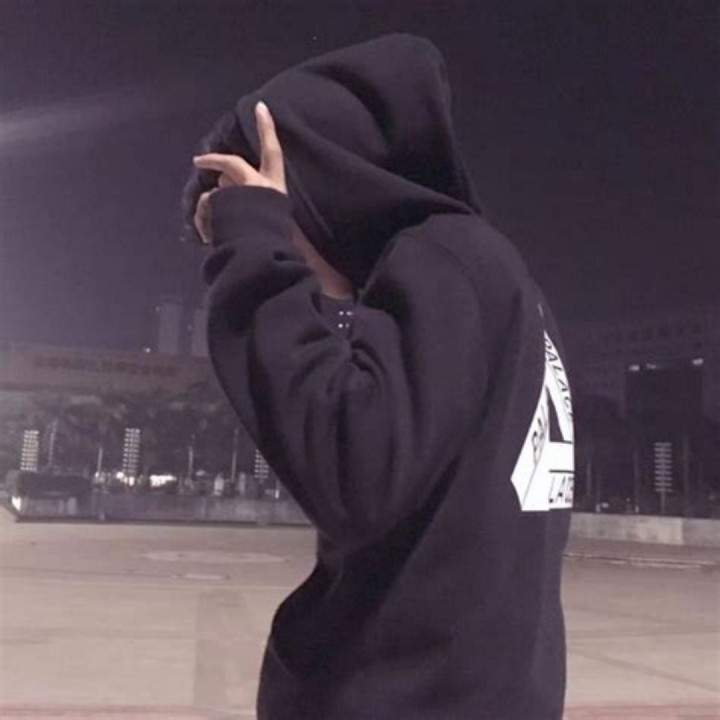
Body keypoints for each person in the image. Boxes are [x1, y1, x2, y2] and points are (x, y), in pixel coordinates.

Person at [181, 34, 574, 720]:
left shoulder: (437, 259)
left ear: (313, 185)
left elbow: (350, 472)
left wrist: (253, 249)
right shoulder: (490, 278)